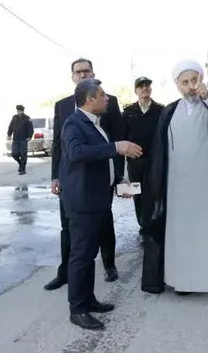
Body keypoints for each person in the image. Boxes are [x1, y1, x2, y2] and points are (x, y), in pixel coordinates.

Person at [141, 60, 208, 304]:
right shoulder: (170, 111)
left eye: (194, 80)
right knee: (182, 234)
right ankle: (184, 281)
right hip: (178, 186)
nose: (190, 86)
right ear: (178, 85)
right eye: (185, 82)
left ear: (201, 80)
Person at [60, 78, 142, 330]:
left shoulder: (95, 123)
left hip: (98, 199)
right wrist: (116, 146)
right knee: (81, 255)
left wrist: (118, 181)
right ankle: (78, 309)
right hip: (82, 202)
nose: (107, 99)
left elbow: (101, 162)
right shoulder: (73, 123)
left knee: (89, 254)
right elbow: (77, 153)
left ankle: (88, 299)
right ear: (89, 99)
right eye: (103, 95)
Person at [45, 58, 123, 291]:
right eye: (78, 72)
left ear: (93, 73)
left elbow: (117, 140)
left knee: (103, 223)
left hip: (99, 179)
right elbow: (59, 144)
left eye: (86, 71)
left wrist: (118, 176)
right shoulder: (63, 106)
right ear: (72, 76)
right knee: (68, 228)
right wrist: (55, 176)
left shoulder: (108, 102)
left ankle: (109, 265)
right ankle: (65, 273)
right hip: (72, 181)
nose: (82, 75)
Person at [122, 76, 164, 233]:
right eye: (141, 86)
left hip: (154, 160)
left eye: (147, 85)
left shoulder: (160, 110)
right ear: (136, 91)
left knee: (153, 192)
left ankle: (151, 223)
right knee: (137, 193)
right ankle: (141, 222)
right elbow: (123, 137)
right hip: (135, 161)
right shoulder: (128, 112)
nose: (145, 88)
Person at [7, 105, 34, 175]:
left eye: (20, 111)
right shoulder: (14, 117)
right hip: (15, 139)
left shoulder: (27, 118)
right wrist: (9, 134)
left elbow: (31, 129)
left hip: (23, 139)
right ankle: (20, 163)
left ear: (22, 111)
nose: (18, 112)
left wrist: (29, 137)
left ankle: (23, 170)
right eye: (18, 111)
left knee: (23, 154)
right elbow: (10, 126)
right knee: (14, 154)